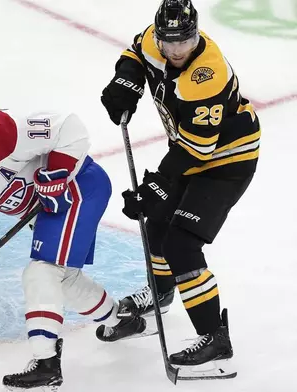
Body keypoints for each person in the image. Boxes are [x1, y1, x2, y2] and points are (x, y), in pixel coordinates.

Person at [0, 98, 145, 390]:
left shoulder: (7, 128)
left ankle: (46, 362)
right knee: (62, 280)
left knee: (40, 273)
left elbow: (69, 126)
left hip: (78, 187)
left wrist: (57, 173)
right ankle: (122, 321)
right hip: (45, 211)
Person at [99, 0, 259, 378]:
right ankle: (160, 300)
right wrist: (126, 78)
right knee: (156, 222)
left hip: (225, 163)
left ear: (195, 34)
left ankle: (216, 340)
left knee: (182, 244)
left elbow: (199, 147)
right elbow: (136, 52)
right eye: (168, 42)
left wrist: (158, 183)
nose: (174, 51)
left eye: (183, 42)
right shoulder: (157, 43)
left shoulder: (207, 74)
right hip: (191, 152)